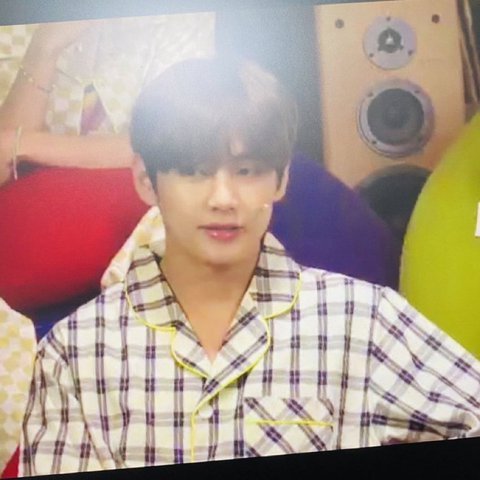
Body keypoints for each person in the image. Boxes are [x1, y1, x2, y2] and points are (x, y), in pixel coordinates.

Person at [21, 56, 480, 475]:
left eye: (247, 171)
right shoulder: (76, 350)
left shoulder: (363, 319)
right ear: (146, 180)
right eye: (195, 171)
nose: (224, 199)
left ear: (280, 180)